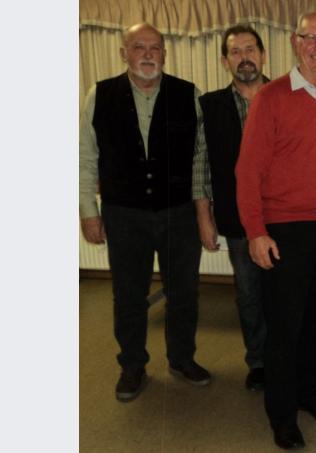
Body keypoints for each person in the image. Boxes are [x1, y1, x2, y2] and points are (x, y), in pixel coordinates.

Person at [234, 11, 316, 450]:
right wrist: (255, 230)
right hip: (284, 231)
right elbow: (247, 170)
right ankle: (282, 414)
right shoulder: (270, 97)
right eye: (310, 38)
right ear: (295, 42)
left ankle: (309, 393)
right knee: (285, 328)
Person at [197, 25, 316, 393]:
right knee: (251, 294)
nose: (244, 56)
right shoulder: (210, 106)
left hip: (290, 219)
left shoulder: (290, 94)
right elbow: (201, 165)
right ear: (225, 60)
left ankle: (300, 362)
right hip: (240, 218)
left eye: (250, 49)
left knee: (297, 295)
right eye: (235, 51)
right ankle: (260, 361)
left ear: (263, 54)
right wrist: (204, 216)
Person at [79, 23, 211, 402]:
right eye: (139, 47)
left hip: (179, 213)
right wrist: (89, 210)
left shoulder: (189, 94)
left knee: (184, 292)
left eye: (155, 47)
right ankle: (132, 366)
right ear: (124, 52)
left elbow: (202, 158)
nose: (148, 54)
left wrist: (204, 212)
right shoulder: (99, 94)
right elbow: (87, 157)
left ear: (165, 54)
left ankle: (182, 359)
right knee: (128, 295)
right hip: (124, 214)